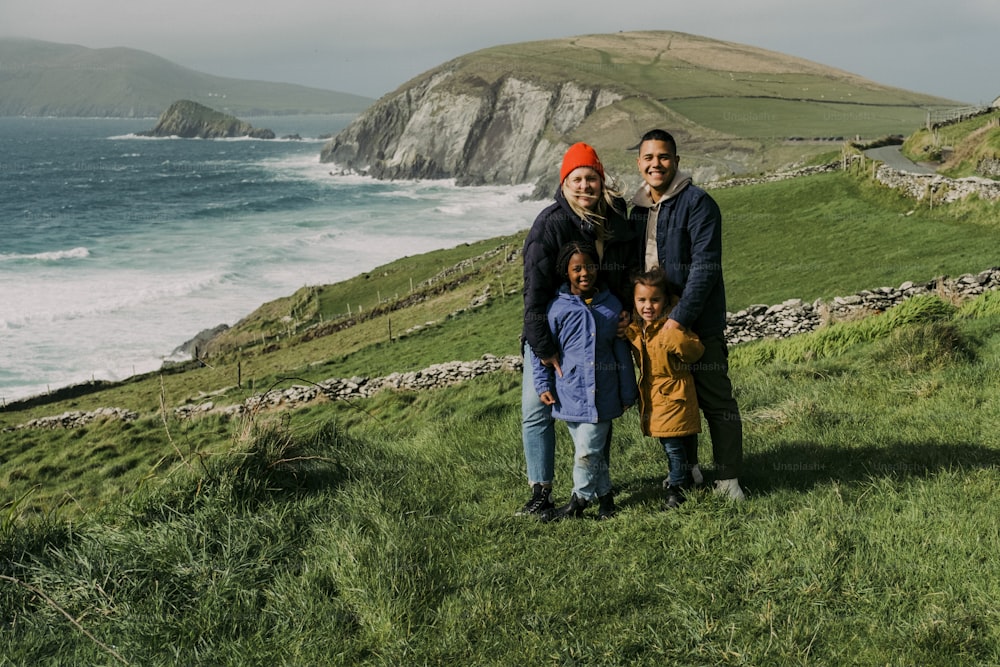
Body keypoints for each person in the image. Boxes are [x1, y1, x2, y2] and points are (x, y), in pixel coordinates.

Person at [518, 142, 639, 516]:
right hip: (553, 331)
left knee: (600, 405)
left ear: (601, 181)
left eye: (591, 178)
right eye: (577, 179)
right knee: (537, 407)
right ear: (564, 182)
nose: (585, 186)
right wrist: (543, 347)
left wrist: (625, 314)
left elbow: (626, 273)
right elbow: (534, 295)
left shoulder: (616, 219)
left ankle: (598, 490)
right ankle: (541, 491)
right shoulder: (550, 224)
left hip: (601, 327)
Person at [630, 129, 746, 501]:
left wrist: (679, 319)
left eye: (663, 157)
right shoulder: (637, 212)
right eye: (648, 158)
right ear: (639, 164)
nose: (656, 164)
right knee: (676, 397)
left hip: (698, 324)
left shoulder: (699, 203)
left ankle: (728, 479)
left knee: (715, 400)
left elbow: (705, 267)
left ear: (677, 162)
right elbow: (631, 269)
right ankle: (689, 470)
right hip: (657, 326)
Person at [531, 242, 638, 521]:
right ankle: (607, 502)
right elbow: (540, 351)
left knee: (587, 453)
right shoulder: (556, 309)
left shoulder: (611, 306)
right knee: (591, 453)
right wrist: (543, 385)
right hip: (569, 393)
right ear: (566, 272)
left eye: (589, 266)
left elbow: (621, 352)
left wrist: (628, 391)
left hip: (603, 394)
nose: (584, 273)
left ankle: (577, 502)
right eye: (576, 268)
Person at [625, 268, 705, 509]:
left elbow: (695, 351)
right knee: (681, 442)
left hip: (674, 394)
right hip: (657, 396)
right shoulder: (639, 328)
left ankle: (677, 489)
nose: (647, 306)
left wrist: (675, 337)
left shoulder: (670, 328)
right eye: (641, 300)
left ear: (666, 301)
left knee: (672, 445)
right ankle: (689, 476)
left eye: (654, 300)